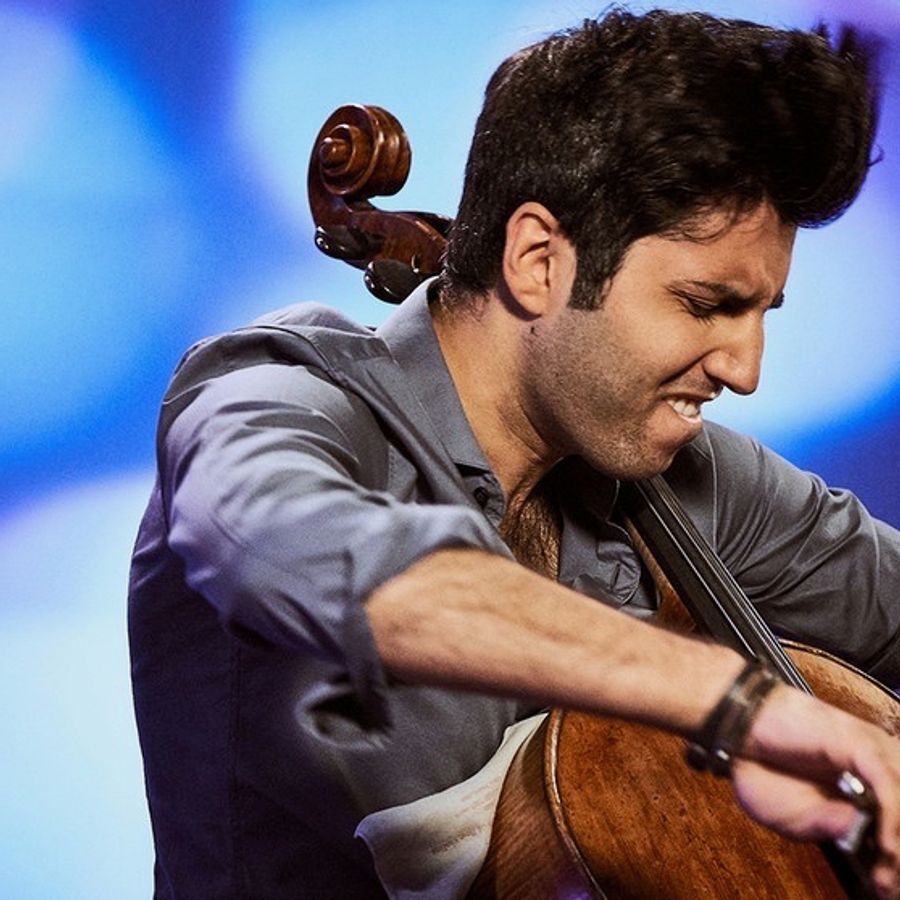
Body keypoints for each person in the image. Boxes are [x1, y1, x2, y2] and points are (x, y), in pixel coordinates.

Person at [129, 8, 900, 898]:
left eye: (762, 313)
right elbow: (299, 551)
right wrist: (735, 705)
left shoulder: (688, 479)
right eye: (704, 305)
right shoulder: (278, 395)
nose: (746, 370)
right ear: (538, 260)